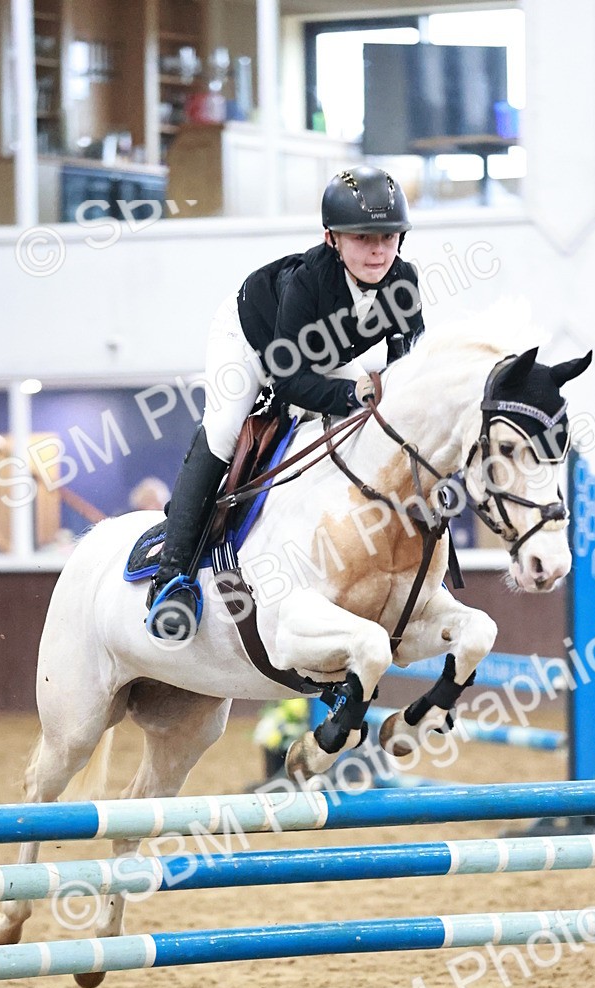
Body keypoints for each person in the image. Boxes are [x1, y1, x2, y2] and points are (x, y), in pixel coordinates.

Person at [146, 165, 424, 640]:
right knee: (225, 428)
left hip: (320, 357)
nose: (378, 249)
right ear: (332, 238)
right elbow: (292, 381)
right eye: (363, 238)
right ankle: (172, 577)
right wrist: (353, 392)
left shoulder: (404, 282)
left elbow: (408, 368)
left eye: (388, 236)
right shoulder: (308, 282)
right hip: (250, 341)